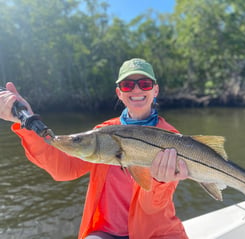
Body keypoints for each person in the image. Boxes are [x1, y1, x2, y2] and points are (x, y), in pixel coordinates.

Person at [0, 58, 189, 239]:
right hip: (108, 232)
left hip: (157, 232)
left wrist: (160, 182)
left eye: (145, 84)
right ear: (119, 93)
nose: (136, 89)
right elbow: (64, 169)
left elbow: (154, 206)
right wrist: (27, 121)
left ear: (155, 90)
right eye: (127, 85)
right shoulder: (101, 133)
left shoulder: (172, 138)